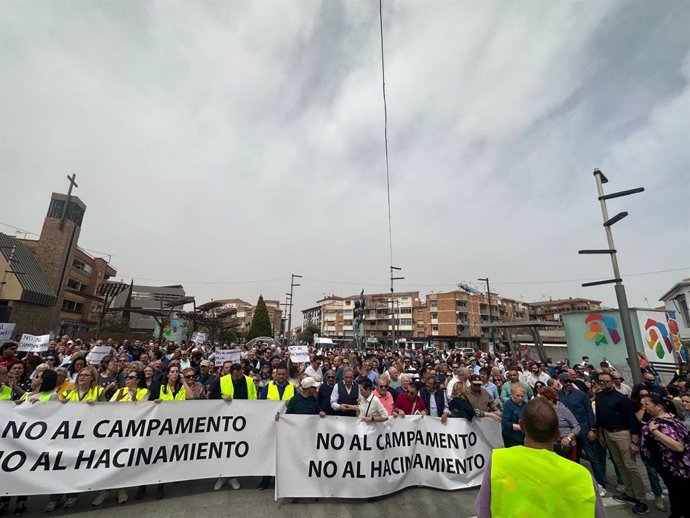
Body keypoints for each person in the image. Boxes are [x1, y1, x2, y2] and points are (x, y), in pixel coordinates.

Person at [475, 398, 605, 518]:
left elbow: (483, 508)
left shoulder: (499, 460)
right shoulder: (582, 475)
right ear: (557, 433)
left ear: (521, 426)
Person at [595, 372, 649, 515]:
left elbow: (632, 420)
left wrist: (634, 441)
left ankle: (641, 499)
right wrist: (600, 433)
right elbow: (600, 416)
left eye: (605, 381)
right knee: (619, 464)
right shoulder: (599, 396)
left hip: (623, 434)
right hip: (607, 433)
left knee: (630, 466)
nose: (602, 383)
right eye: (600, 381)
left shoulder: (622, 399)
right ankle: (630, 492)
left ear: (612, 382)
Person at [640, 393, 690, 518]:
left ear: (659, 406)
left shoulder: (662, 424)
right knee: (677, 494)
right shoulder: (671, 417)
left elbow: (678, 446)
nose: (644, 407)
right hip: (671, 467)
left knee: (679, 495)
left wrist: (654, 431)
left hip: (676, 467)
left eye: (647, 404)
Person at [558, 372, 606, 495]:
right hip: (570, 433)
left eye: (570, 381)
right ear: (561, 382)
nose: (568, 383)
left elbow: (589, 412)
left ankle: (601, 483)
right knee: (574, 458)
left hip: (584, 430)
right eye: (565, 381)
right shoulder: (559, 395)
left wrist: (592, 429)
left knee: (592, 457)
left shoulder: (581, 395)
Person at [212, 363, 257, 491]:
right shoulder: (221, 380)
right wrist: (222, 396)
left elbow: (253, 398)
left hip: (242, 420)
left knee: (236, 449)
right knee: (224, 448)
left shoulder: (249, 381)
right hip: (224, 421)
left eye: (239, 375)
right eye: (235, 376)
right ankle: (221, 476)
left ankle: (233, 477)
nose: (237, 378)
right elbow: (211, 396)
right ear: (230, 373)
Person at [540, 387, 580, 460]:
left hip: (566, 445)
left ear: (551, 400)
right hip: (551, 445)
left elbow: (577, 427)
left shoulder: (563, 410)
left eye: (543, 400)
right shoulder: (543, 411)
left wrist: (568, 438)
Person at [501, 383, 526, 447]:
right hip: (511, 437)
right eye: (517, 395)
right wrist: (520, 427)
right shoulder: (508, 404)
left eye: (522, 396)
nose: (520, 398)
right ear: (512, 394)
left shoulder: (525, 404)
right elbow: (504, 423)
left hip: (523, 437)